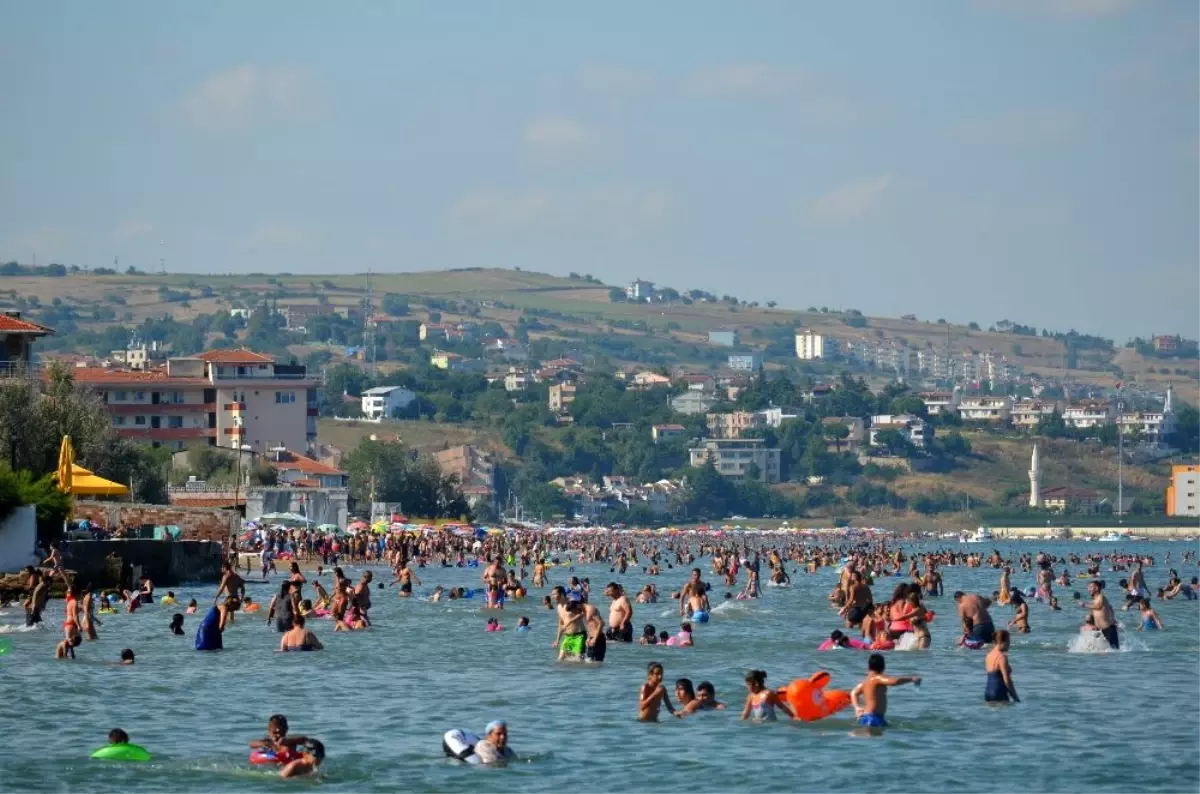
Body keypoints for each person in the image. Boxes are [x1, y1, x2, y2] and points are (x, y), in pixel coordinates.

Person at [850, 653, 921, 732]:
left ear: (869, 667)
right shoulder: (878, 678)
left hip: (866, 717)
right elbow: (894, 681)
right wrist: (912, 678)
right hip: (874, 718)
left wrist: (857, 707)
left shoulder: (865, 681)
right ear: (883, 667)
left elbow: (853, 693)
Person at [249, 714, 325, 778]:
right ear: (269, 731)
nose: (277, 735)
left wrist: (288, 740)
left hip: (289, 762)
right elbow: (251, 744)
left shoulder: (290, 740)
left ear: (286, 730)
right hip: (274, 766)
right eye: (274, 732)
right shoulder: (268, 741)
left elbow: (304, 739)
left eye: (281, 732)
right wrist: (263, 744)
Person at [985, 629, 1019, 703]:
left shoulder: (989, 655)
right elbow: (1007, 680)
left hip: (988, 692)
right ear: (1003, 642)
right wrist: (1016, 698)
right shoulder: (1002, 657)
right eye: (1009, 641)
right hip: (999, 692)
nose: (1009, 644)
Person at [1081, 580, 1119, 649]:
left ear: (1097, 588)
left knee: (1115, 651)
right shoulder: (1094, 601)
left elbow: (1098, 606)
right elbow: (1110, 607)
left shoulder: (1101, 597)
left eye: (1091, 587)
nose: (1088, 589)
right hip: (1099, 630)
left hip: (1109, 629)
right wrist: (1087, 623)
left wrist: (1084, 605)